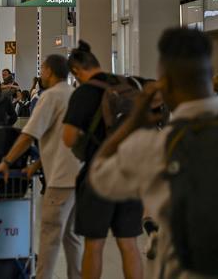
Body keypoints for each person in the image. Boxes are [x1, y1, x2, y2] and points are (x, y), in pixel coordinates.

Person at [89, 28, 218, 278]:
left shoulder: (155, 145)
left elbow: (99, 175)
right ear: (210, 76)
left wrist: (134, 120)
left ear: (163, 84)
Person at [0, 54, 83, 279]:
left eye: (42, 69)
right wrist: (36, 166)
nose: (40, 74)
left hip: (60, 180)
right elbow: (60, 138)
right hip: (79, 176)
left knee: (50, 236)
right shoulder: (74, 95)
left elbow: (28, 135)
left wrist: (6, 161)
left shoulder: (50, 96)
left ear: (50, 71)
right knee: (71, 237)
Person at [62, 42, 143, 279]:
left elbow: (68, 138)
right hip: (129, 172)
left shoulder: (84, 93)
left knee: (94, 244)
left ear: (76, 72)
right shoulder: (126, 85)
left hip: (99, 175)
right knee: (129, 244)